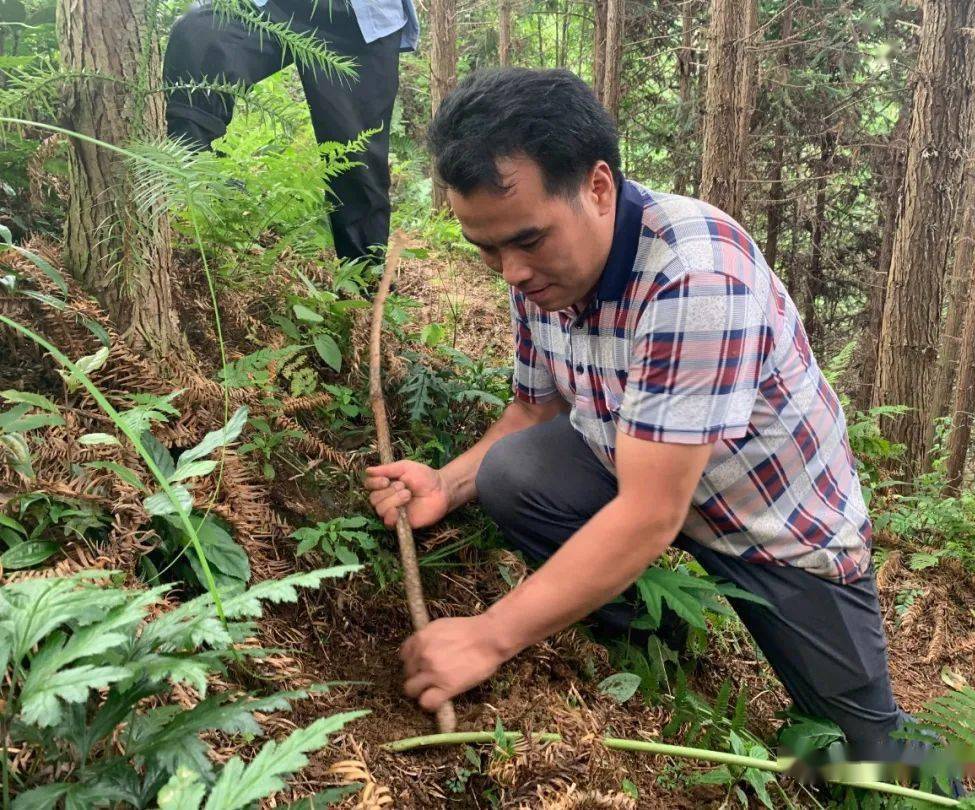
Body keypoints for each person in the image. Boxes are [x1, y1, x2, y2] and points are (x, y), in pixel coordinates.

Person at [365, 68, 907, 763]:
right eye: (487, 249)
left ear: (597, 187)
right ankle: (650, 646)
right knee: (511, 472)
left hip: (774, 526)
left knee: (867, 755)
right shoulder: (540, 273)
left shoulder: (697, 278)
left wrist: (488, 635)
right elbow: (534, 409)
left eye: (527, 241)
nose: (510, 273)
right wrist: (448, 483)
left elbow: (651, 513)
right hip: (639, 467)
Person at [163, 0, 418, 264]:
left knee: (357, 160)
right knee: (198, 34)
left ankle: (366, 286)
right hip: (273, 5)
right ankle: (189, 205)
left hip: (359, 17)